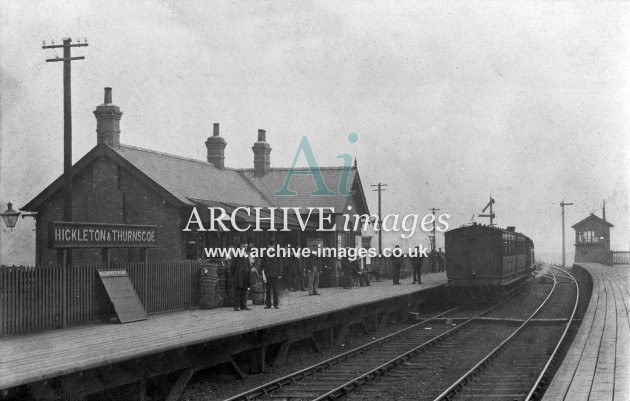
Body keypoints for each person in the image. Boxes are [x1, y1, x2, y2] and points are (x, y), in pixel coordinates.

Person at [261, 239, 283, 309]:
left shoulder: (277, 253)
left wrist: (280, 274)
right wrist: (262, 272)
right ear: (268, 246)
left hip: (275, 274)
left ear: (274, 246)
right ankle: (268, 304)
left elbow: (280, 264)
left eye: (272, 246)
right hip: (267, 274)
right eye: (270, 245)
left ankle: (276, 304)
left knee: (275, 289)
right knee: (268, 289)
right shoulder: (264, 253)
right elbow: (262, 264)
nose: (271, 247)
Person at [230, 243, 251, 311]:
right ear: (240, 246)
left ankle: (243, 305)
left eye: (246, 246)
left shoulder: (246, 253)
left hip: (246, 273)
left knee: (244, 290)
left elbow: (248, 263)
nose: (245, 247)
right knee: (238, 290)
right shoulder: (236, 253)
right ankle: (236, 306)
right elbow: (232, 265)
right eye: (244, 246)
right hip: (239, 274)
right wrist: (234, 273)